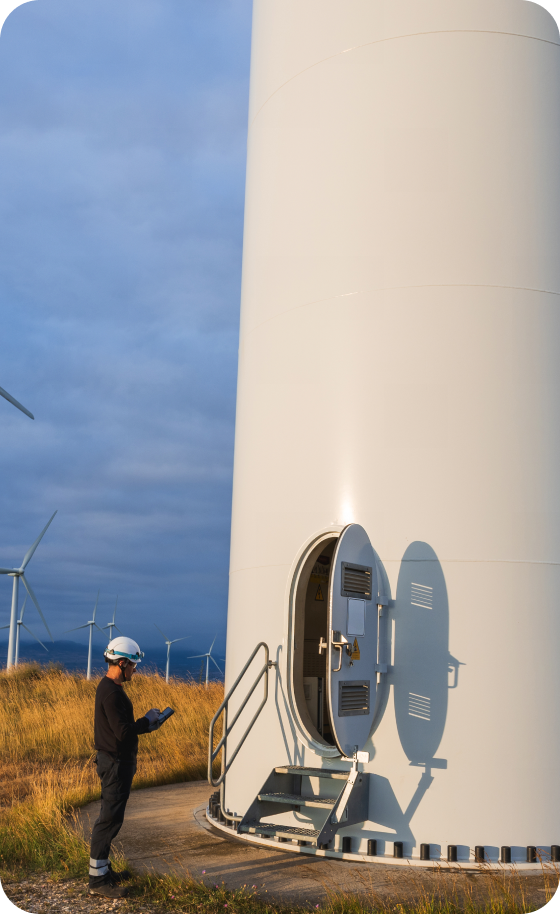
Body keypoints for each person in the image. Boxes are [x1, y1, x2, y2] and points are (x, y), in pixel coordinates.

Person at [89, 636, 163, 899]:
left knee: (112, 818)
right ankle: (98, 881)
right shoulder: (111, 692)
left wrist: (146, 723)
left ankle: (104, 871)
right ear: (121, 663)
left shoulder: (110, 689)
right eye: (132, 665)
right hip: (115, 764)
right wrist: (146, 721)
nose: (135, 669)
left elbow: (121, 730)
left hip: (116, 762)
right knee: (108, 820)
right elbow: (123, 733)